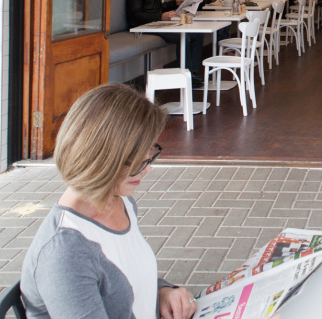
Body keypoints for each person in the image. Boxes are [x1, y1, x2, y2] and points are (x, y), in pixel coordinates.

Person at [20, 83, 197, 319]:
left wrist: (163, 291)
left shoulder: (120, 202)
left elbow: (127, 276)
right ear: (102, 158)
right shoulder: (64, 254)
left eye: (149, 153)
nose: (148, 169)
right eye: (137, 162)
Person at [126, 0, 204, 87]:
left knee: (197, 34)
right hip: (144, 26)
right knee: (184, 37)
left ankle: (192, 73)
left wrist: (175, 2)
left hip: (157, 22)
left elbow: (158, 7)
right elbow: (135, 15)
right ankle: (187, 76)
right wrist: (160, 17)